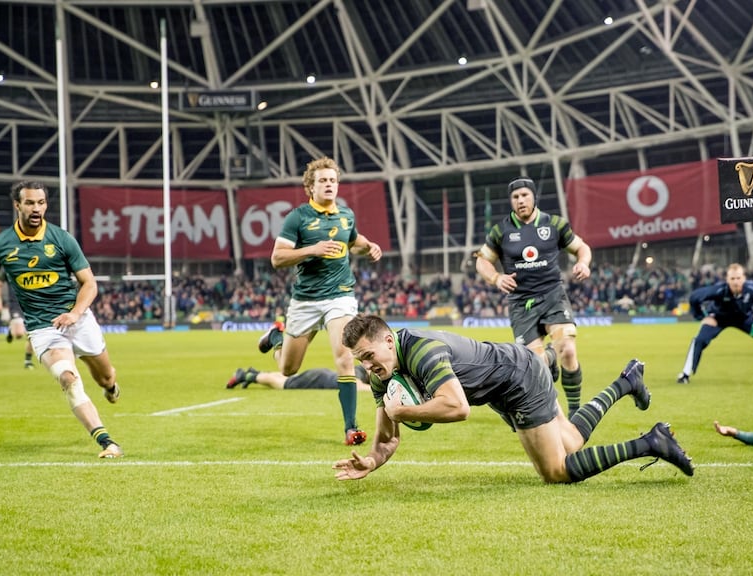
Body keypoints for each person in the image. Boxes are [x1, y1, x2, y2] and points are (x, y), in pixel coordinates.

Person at [333, 314, 693, 484]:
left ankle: (653, 442)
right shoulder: (382, 373)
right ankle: (626, 381)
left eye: (368, 356)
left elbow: (457, 408)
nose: (367, 366)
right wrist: (371, 461)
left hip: (516, 378)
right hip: (503, 382)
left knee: (556, 471)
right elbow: (388, 438)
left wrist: (404, 409)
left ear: (388, 340)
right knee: (573, 441)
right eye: (360, 360)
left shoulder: (423, 352)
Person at [0, 180, 123, 458]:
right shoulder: (0, 245)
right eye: (30, 202)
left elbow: (89, 284)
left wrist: (75, 313)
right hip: (43, 328)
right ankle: (106, 441)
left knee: (105, 377)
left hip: (77, 319)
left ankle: (112, 388)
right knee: (68, 378)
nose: (36, 208)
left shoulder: (62, 239)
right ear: (17, 205)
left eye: (41, 203)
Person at [255, 156, 383, 446]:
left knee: (345, 358)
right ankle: (277, 337)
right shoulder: (297, 217)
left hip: (340, 296)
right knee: (287, 370)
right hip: (306, 300)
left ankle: (351, 428)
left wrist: (371, 247)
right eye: (322, 181)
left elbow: (355, 241)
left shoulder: (346, 215)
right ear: (309, 188)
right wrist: (312, 249)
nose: (329, 185)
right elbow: (277, 258)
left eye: (333, 180)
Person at [475, 177, 592, 418]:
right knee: (536, 367)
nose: (520, 201)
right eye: (515, 197)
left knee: (568, 350)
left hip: (552, 296)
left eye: (524, 196)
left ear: (533, 197)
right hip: (521, 304)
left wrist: (583, 263)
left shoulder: (555, 224)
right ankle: (549, 365)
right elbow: (481, 260)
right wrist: (496, 278)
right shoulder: (501, 231)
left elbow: (582, 247)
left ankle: (575, 411)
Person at [676, 263, 753, 384]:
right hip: (719, 319)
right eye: (732, 279)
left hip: (745, 319)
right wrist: (702, 317)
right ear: (727, 279)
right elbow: (695, 297)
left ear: (744, 278)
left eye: (738, 278)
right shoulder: (719, 289)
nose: (736, 282)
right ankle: (685, 374)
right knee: (699, 340)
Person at [0, 275, 35, 369]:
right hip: (16, 304)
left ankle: (28, 361)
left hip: (33, 304)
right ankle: (12, 329)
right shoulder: (9, 262)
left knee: (32, 335)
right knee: (19, 334)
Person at [226, 364, 370, 391]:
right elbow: (357, 387)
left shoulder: (356, 370)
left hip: (319, 375)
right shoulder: (357, 373)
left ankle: (257, 373)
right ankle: (247, 376)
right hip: (317, 379)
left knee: (286, 378)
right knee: (283, 384)